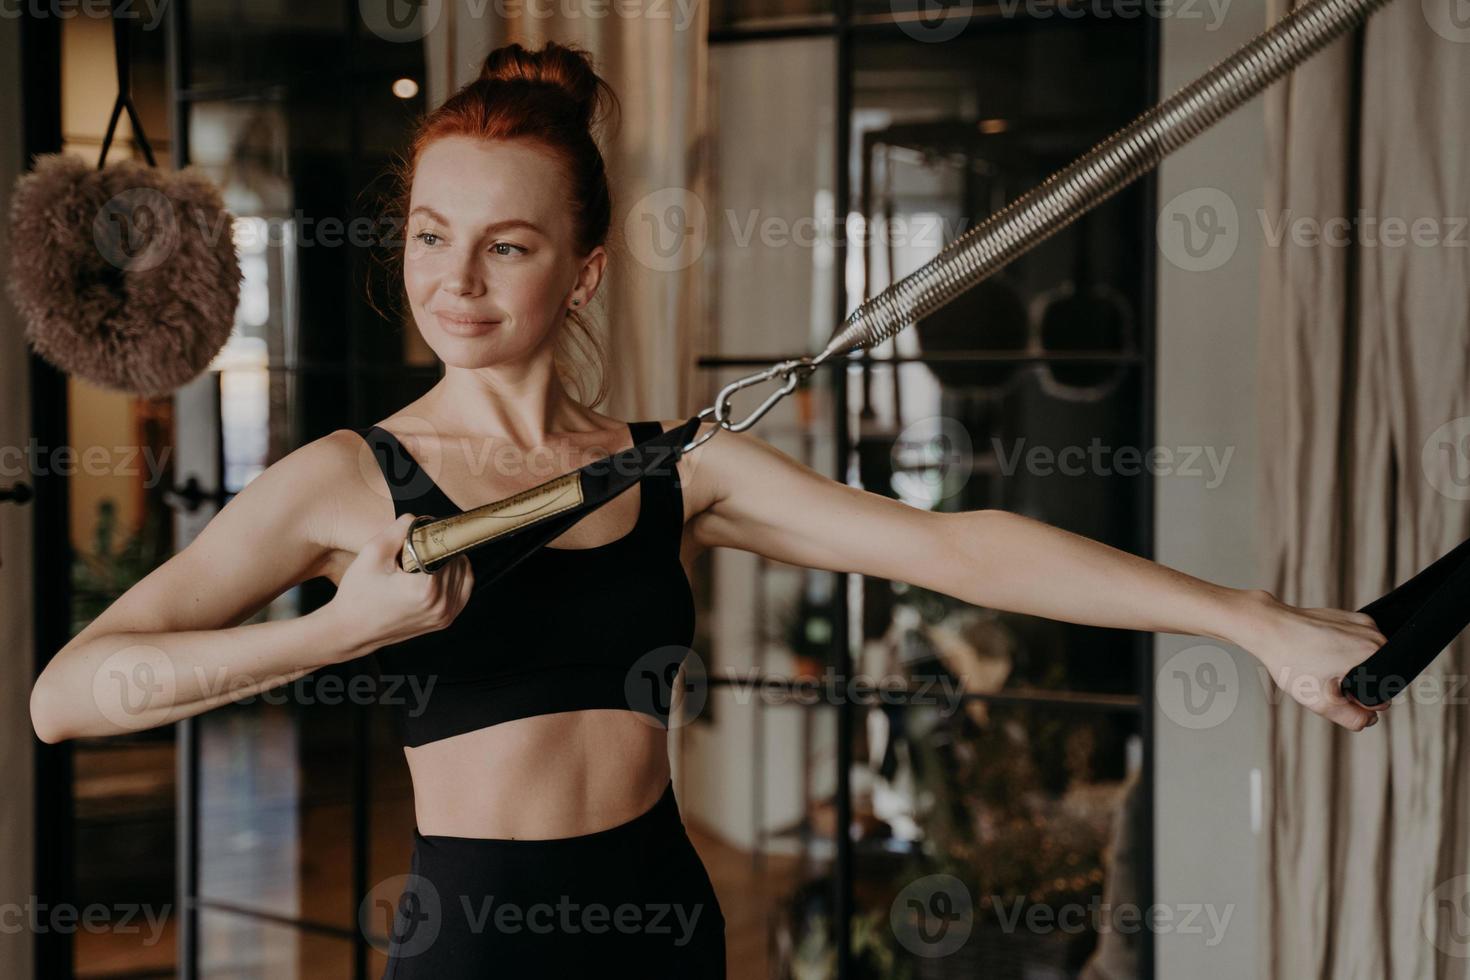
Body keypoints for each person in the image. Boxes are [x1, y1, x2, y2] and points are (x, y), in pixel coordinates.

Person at [28, 39, 1390, 977]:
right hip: (474, 941)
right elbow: (70, 696)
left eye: (508, 244)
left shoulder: (674, 466)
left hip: (661, 918)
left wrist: (1252, 626)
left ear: (583, 267)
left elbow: (955, 548)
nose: (457, 277)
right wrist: (333, 632)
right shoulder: (342, 477)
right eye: (431, 234)